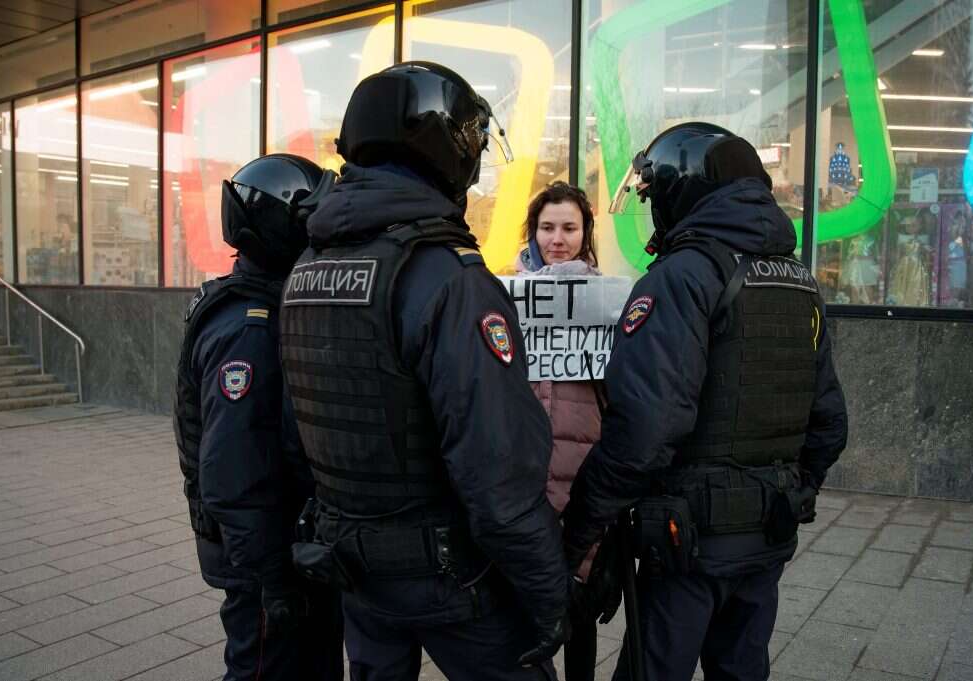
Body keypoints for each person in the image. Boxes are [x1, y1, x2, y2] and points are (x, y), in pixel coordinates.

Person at [279, 61, 568, 681]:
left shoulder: (305, 270)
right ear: (446, 150)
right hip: (444, 574)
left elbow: (299, 421)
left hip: (351, 561)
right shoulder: (448, 277)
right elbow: (497, 465)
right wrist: (548, 591)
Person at [561, 122, 849, 681]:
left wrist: (581, 528)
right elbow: (830, 424)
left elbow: (645, 430)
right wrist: (789, 489)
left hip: (687, 543)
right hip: (768, 533)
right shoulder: (798, 281)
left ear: (679, 194)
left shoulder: (681, 277)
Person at [173, 153, 343, 681]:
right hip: (269, 562)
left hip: (285, 551)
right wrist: (274, 581)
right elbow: (233, 474)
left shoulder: (266, 304)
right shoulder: (250, 327)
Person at [516, 182, 604, 681]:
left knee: (581, 596)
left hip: (585, 463)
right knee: (530, 597)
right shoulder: (509, 293)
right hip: (526, 468)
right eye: (547, 227)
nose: (557, 239)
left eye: (569, 227)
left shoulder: (606, 299)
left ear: (585, 232)